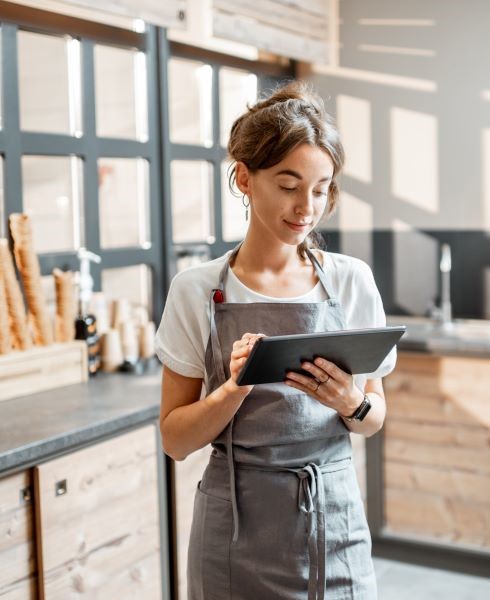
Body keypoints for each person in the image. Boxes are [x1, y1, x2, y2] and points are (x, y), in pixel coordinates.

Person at [156, 80, 395, 600]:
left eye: (320, 187)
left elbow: (374, 418)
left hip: (333, 519)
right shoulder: (197, 290)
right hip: (235, 526)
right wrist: (234, 388)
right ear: (244, 177)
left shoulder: (351, 281)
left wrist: (349, 401)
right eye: (288, 185)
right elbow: (175, 440)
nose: (305, 206)